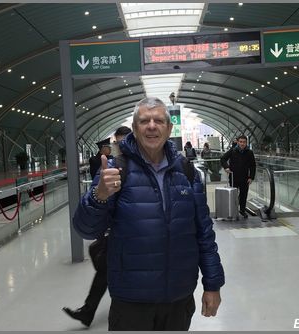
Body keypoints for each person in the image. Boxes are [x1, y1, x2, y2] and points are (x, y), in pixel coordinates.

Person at [73, 97, 225, 331]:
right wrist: (99, 195)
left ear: (169, 128)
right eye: (144, 121)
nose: (152, 126)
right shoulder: (115, 171)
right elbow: (85, 229)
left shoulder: (186, 172)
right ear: (135, 128)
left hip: (178, 296)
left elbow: (204, 233)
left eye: (158, 120)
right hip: (131, 301)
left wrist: (212, 284)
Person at [63, 126, 132, 327]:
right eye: (118, 143)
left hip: (124, 235)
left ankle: (88, 310)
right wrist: (99, 194)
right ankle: (89, 309)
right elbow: (84, 223)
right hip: (111, 230)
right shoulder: (108, 166)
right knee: (102, 263)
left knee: (104, 269)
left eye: (124, 142)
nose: (121, 147)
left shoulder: (134, 168)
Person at [220, 134, 256, 219]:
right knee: (233, 195)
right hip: (234, 177)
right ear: (238, 142)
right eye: (240, 142)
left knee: (243, 195)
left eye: (244, 142)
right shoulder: (233, 151)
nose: (242, 144)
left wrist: (251, 177)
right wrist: (226, 167)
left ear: (246, 142)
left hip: (245, 178)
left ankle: (242, 210)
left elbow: (253, 165)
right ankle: (233, 210)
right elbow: (223, 159)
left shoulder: (249, 152)